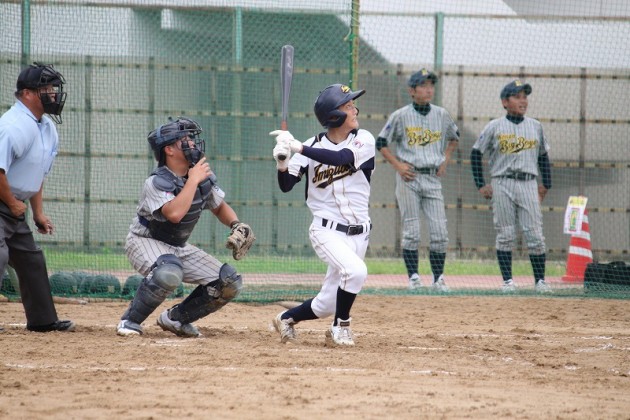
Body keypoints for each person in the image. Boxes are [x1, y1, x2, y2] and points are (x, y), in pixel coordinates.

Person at [116, 117, 255, 337]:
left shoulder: (198, 176)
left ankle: (176, 319)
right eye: (185, 139)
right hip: (145, 241)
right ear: (169, 150)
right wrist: (192, 180)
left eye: (191, 138)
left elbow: (219, 207)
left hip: (177, 246)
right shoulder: (157, 182)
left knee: (229, 282)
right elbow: (174, 214)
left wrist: (236, 224)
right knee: (168, 272)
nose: (192, 143)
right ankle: (129, 321)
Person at [269, 84, 374, 346]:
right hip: (326, 230)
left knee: (327, 303)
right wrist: (283, 162)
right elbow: (286, 185)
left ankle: (285, 318)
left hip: (360, 232)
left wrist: (298, 148)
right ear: (334, 116)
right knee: (356, 272)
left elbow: (340, 158)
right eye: (348, 106)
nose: (355, 109)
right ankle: (341, 328)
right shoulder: (308, 146)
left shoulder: (364, 140)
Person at [0, 62, 74, 332]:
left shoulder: (46, 127)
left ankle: (43, 321)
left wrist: (38, 213)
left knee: (31, 259)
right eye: (47, 88)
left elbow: (36, 173)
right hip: (5, 201)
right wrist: (11, 203)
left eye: (54, 88)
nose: (53, 94)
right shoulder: (13, 126)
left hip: (14, 206)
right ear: (28, 94)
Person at [376, 68, 459, 292]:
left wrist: (446, 158)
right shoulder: (400, 115)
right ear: (412, 90)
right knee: (412, 231)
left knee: (440, 231)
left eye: (431, 85)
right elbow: (381, 142)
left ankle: (438, 279)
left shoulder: (441, 114)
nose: (428, 89)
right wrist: (398, 165)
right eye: (423, 85)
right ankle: (413, 277)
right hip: (409, 177)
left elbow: (454, 137)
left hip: (432, 177)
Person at [470, 80, 552, 293]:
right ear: (505, 102)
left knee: (534, 234)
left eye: (525, 96)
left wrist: (546, 184)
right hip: (502, 182)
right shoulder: (494, 126)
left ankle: (540, 282)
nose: (523, 101)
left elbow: (543, 156)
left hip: (528, 183)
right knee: (505, 234)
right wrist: (480, 184)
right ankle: (508, 282)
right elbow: (475, 153)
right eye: (517, 96)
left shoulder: (535, 126)